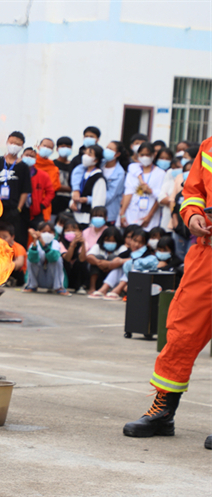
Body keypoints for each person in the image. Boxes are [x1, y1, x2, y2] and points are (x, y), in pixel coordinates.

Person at [124, 134, 211, 448]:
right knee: (180, 333)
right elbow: (193, 192)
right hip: (206, 256)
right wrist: (193, 215)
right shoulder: (210, 147)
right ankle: (163, 413)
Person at [0, 131, 31, 247]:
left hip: (13, 209)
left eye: (17, 144)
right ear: (7, 142)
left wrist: (18, 209)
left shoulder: (23, 167)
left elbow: (25, 190)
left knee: (12, 237)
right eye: (12, 142)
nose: (14, 146)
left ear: (22, 146)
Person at [90, 226, 152, 301]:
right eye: (135, 241)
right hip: (124, 278)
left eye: (141, 242)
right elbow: (115, 261)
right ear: (130, 240)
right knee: (119, 267)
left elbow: (137, 262)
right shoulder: (129, 251)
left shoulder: (147, 254)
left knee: (131, 266)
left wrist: (121, 261)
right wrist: (117, 262)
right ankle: (104, 288)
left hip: (138, 281)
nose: (136, 245)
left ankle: (117, 290)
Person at [120, 142, 165, 230]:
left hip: (149, 217)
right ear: (138, 155)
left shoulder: (161, 173)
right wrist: (122, 213)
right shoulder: (133, 170)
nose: (145, 157)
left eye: (148, 155)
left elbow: (159, 198)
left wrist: (149, 216)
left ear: (153, 155)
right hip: (131, 214)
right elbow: (128, 192)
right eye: (142, 154)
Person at [24, 221, 70, 295]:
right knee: (30, 259)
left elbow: (53, 258)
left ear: (54, 234)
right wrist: (35, 241)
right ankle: (31, 285)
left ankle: (58, 287)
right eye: (44, 231)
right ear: (39, 233)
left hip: (51, 279)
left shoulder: (56, 243)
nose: (47, 234)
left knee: (58, 259)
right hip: (39, 277)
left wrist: (43, 243)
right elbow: (32, 259)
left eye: (49, 232)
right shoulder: (34, 244)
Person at [70, 143, 106, 227]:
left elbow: (99, 201)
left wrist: (94, 220)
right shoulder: (81, 172)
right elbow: (75, 191)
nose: (85, 156)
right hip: (76, 216)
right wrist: (72, 202)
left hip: (87, 218)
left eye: (89, 154)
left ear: (96, 160)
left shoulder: (98, 178)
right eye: (85, 153)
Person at [85, 225, 125, 294]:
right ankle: (92, 287)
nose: (110, 243)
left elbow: (123, 261)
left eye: (113, 241)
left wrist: (109, 265)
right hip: (99, 275)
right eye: (107, 240)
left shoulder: (122, 248)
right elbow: (89, 257)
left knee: (113, 257)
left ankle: (108, 288)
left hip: (114, 277)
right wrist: (98, 262)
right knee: (97, 257)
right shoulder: (98, 246)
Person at [22, 147, 54, 230]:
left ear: (36, 159)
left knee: (39, 235)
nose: (29, 157)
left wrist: (42, 205)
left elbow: (50, 192)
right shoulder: (16, 172)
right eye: (27, 155)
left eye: (32, 156)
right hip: (19, 210)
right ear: (22, 156)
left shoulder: (43, 175)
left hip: (36, 211)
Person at [101, 141, 127, 224]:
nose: (107, 150)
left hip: (109, 212)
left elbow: (111, 194)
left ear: (117, 154)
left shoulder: (120, 173)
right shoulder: (100, 164)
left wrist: (91, 200)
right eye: (107, 148)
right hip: (95, 210)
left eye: (111, 149)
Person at [33, 137, 59, 221]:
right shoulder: (30, 163)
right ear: (38, 147)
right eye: (44, 146)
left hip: (44, 206)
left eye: (49, 148)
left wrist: (43, 204)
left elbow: (53, 188)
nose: (46, 149)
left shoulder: (53, 168)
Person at [60, 219, 88, 293]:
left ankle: (80, 286)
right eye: (68, 230)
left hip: (77, 274)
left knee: (82, 262)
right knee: (61, 261)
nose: (71, 232)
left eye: (74, 230)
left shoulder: (84, 243)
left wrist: (82, 244)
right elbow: (67, 258)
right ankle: (61, 284)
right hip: (66, 273)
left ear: (80, 231)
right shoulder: (60, 243)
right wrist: (72, 244)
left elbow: (82, 259)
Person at [155, 147, 178, 231]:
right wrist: (173, 201)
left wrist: (171, 201)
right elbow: (161, 197)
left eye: (167, 159)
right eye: (161, 158)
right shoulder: (169, 174)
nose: (164, 161)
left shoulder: (172, 173)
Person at [0, 222, 26, 286]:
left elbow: (19, 263)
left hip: (16, 274)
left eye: (5, 237)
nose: (2, 240)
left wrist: (4, 266)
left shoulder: (18, 247)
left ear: (12, 237)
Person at [52, 136, 74, 217]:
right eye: (62, 146)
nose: (65, 149)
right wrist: (70, 189)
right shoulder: (52, 164)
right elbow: (51, 185)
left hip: (69, 203)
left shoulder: (73, 165)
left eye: (68, 147)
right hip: (53, 202)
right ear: (57, 149)